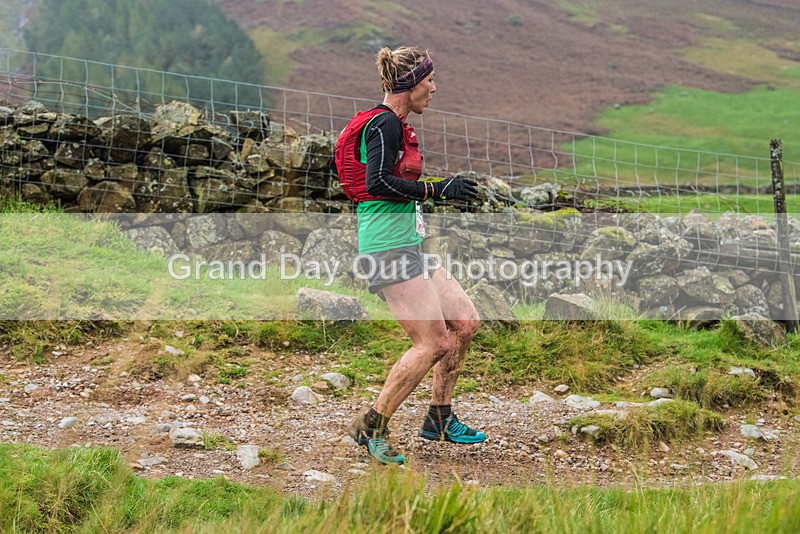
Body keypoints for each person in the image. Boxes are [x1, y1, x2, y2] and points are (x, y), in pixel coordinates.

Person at [335, 45, 486, 465]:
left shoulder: (396, 124)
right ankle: (372, 426)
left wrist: (434, 191)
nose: (434, 89)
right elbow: (379, 181)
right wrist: (437, 189)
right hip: (387, 248)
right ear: (409, 83)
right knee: (431, 342)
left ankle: (438, 418)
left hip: (408, 244)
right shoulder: (384, 124)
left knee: (466, 321)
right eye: (429, 80)